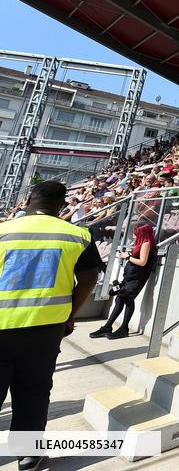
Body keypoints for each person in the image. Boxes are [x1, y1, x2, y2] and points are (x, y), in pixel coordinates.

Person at [0, 181, 102, 471]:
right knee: (33, 390)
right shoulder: (78, 235)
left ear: (29, 199)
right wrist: (71, 312)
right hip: (46, 328)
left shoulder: (3, 230)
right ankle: (29, 455)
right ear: (63, 205)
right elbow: (89, 279)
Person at [89, 223, 156, 340]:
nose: (134, 237)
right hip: (130, 278)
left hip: (136, 279)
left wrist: (127, 256)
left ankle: (123, 328)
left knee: (127, 298)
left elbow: (142, 262)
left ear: (143, 234)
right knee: (120, 299)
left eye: (137, 234)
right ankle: (108, 326)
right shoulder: (142, 243)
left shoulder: (146, 243)